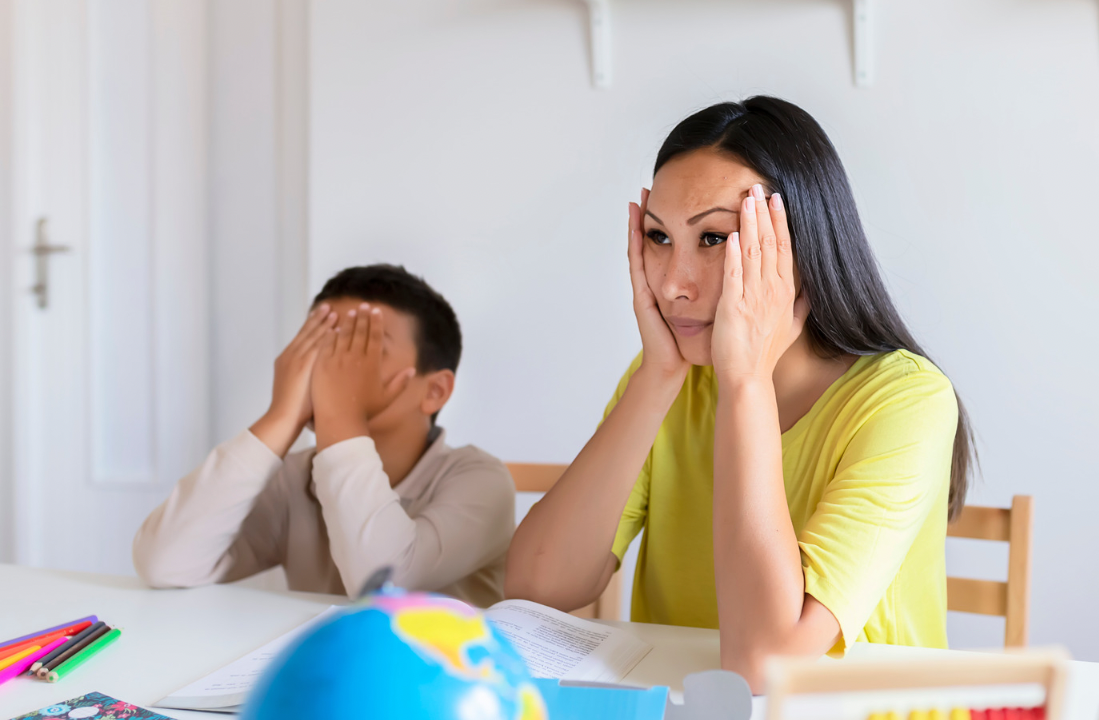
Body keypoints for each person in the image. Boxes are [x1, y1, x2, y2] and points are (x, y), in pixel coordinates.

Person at [504, 97, 976, 691]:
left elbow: (764, 669)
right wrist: (656, 379)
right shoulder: (667, 380)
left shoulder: (908, 402)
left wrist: (745, 381)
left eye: (713, 238)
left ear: (799, 245)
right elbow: (537, 587)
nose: (673, 284)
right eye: (658, 236)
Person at [134, 264, 514, 607]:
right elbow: (166, 566)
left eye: (362, 351)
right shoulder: (295, 478)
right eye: (321, 346)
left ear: (434, 391)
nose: (331, 369)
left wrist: (342, 411)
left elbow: (382, 587)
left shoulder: (480, 480)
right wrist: (282, 416)